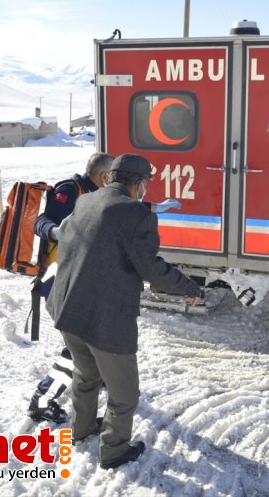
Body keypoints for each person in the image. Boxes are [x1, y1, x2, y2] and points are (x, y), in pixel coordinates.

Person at [45, 153, 202, 469]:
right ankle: (114, 451)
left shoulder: (86, 201)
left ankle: (82, 429)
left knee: (86, 374)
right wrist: (189, 288)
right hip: (104, 317)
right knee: (125, 393)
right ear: (140, 183)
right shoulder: (136, 213)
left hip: (67, 308)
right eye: (145, 184)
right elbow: (150, 268)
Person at [28, 152, 182, 424]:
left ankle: (93, 379)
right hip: (61, 278)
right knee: (74, 352)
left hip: (83, 279)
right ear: (104, 177)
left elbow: (125, 209)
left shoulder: (98, 194)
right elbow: (41, 222)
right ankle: (42, 400)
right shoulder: (70, 191)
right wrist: (54, 231)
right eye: (114, 176)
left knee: (89, 344)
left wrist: (158, 206)